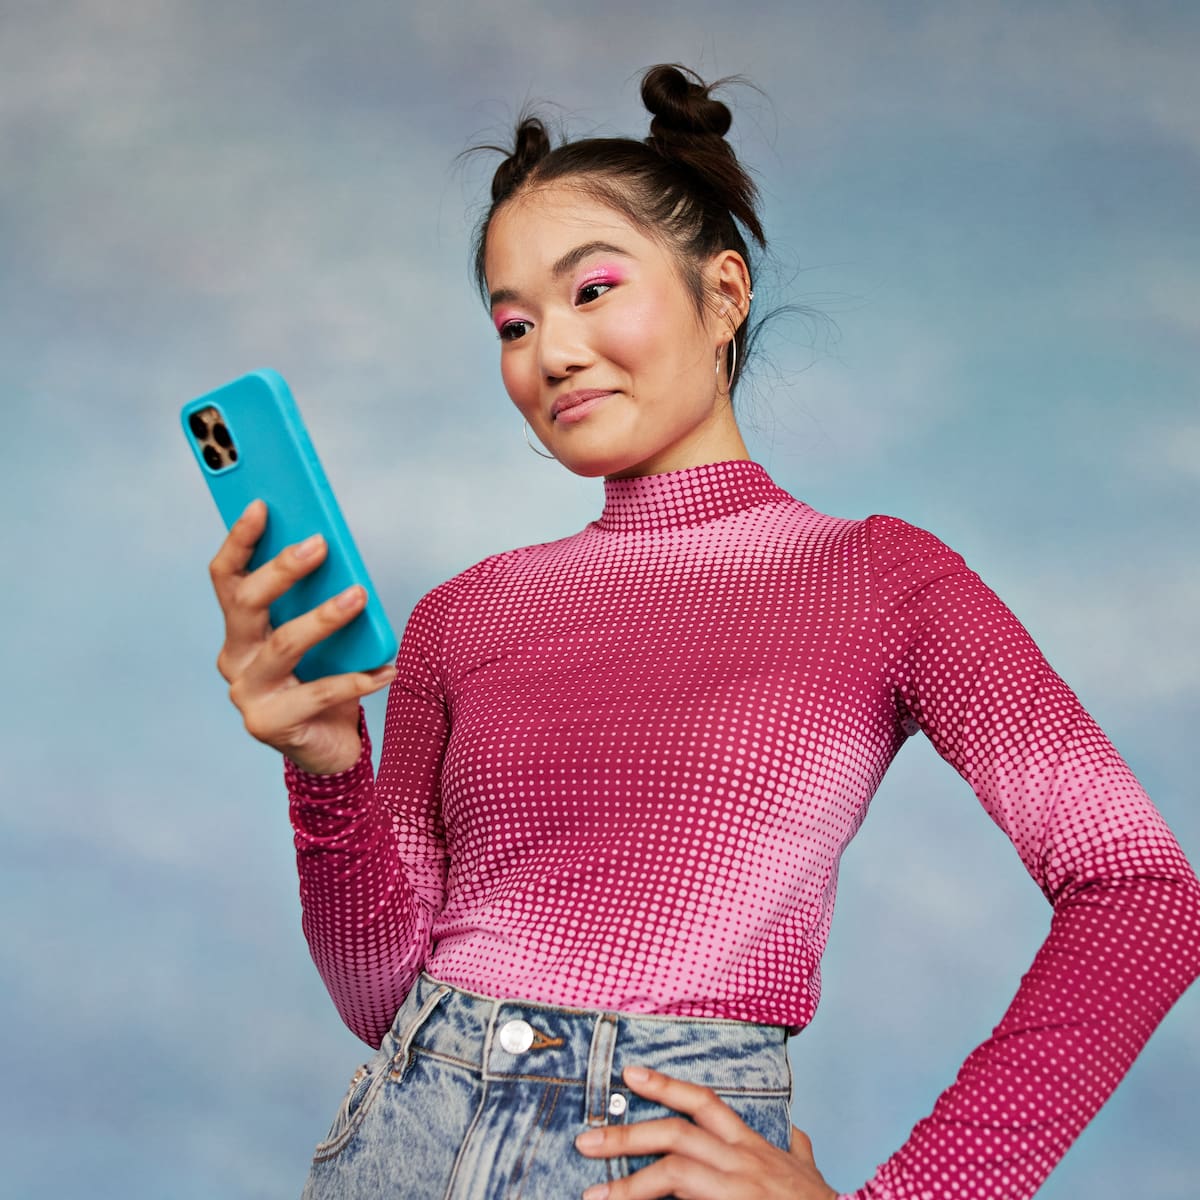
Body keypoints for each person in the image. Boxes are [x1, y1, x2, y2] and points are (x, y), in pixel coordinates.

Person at [207, 64, 1200, 1200]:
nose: (551, 353)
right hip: (399, 1150)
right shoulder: (462, 615)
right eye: (514, 323)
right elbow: (381, 996)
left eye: (593, 290)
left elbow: (1141, 892)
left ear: (723, 293)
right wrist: (324, 768)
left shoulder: (881, 581)